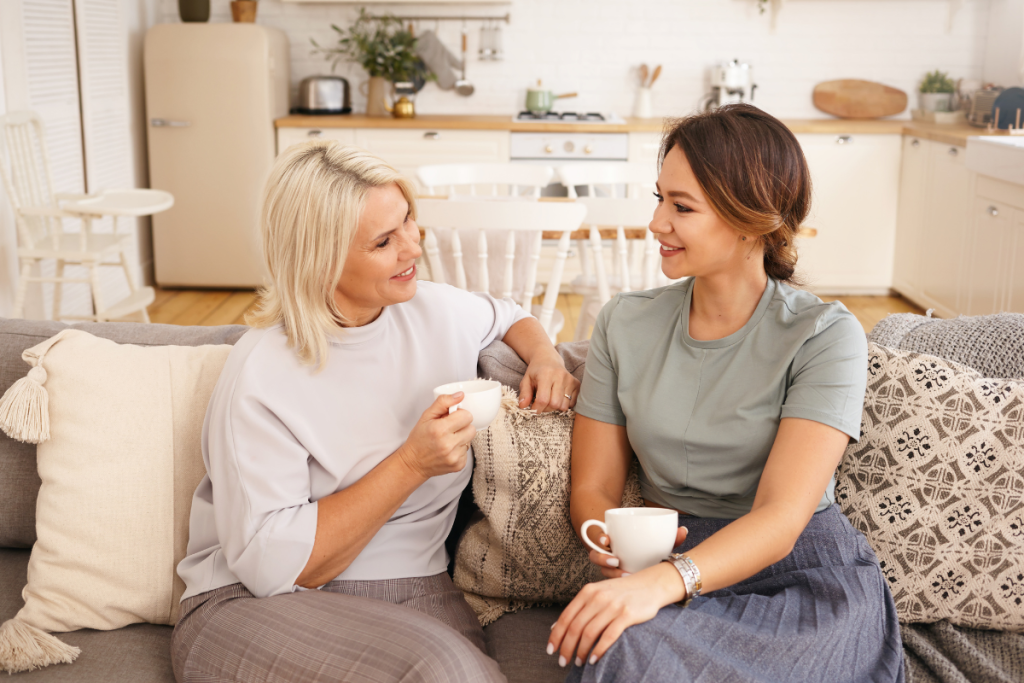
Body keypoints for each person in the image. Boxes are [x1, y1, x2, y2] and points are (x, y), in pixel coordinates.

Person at [171, 141, 580, 683]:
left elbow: (509, 317)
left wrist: (547, 357)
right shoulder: (263, 372)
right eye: (384, 241)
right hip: (259, 602)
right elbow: (275, 566)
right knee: (446, 671)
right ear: (320, 258)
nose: (412, 246)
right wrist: (411, 463)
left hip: (420, 590)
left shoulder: (434, 309)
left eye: (409, 220)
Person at [548, 104, 904, 682]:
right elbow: (593, 485)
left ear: (752, 219)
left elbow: (783, 517)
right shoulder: (624, 323)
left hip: (802, 576)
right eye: (659, 198)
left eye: (681, 207)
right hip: (665, 562)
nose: (656, 222)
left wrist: (666, 581)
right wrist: (615, 546)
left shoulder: (825, 334)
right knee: (623, 653)